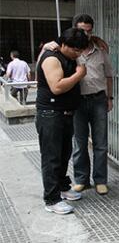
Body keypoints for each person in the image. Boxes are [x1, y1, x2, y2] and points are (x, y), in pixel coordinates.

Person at [36, 28, 88, 214]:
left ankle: (62, 187)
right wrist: (78, 75)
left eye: (80, 50)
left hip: (65, 113)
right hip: (50, 114)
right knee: (51, 158)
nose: (78, 54)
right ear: (64, 45)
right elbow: (57, 87)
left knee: (64, 154)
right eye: (75, 50)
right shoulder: (51, 58)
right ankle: (51, 199)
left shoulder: (69, 55)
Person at [71, 14, 113, 195]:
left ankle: (100, 180)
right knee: (79, 143)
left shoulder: (101, 50)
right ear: (75, 30)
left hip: (98, 100)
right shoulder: (71, 51)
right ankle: (81, 179)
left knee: (100, 143)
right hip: (78, 102)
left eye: (89, 31)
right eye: (81, 31)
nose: (86, 35)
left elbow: (109, 76)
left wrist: (110, 98)